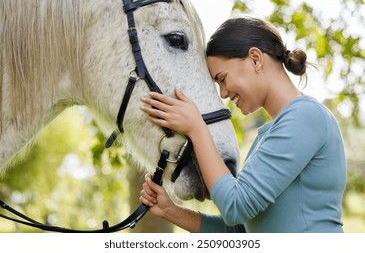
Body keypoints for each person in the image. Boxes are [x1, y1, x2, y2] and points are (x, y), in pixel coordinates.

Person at [139, 14, 347, 233]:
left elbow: (235, 206)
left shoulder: (306, 116)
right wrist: (171, 211)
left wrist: (197, 129)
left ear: (255, 59)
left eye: (222, 78)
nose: (223, 93)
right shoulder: (269, 135)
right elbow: (242, 230)